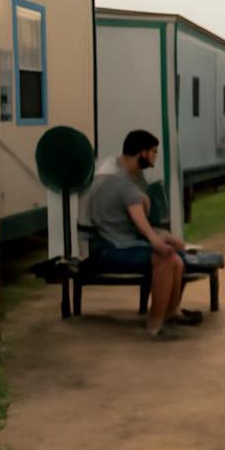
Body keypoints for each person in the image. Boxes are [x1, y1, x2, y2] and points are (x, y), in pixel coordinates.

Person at [86, 130, 198, 339]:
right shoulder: (123, 183)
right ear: (142, 153)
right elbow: (143, 226)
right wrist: (161, 241)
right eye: (154, 152)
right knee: (167, 258)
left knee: (177, 259)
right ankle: (155, 325)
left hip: (114, 240)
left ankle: (170, 314)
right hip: (111, 246)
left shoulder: (112, 169)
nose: (155, 156)